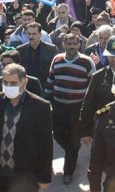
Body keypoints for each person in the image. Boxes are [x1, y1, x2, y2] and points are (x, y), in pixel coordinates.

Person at [0, 63, 53, 192]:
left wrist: (44, 178)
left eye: (13, 83)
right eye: (5, 82)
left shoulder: (41, 107)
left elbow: (46, 145)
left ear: (24, 82)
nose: (8, 87)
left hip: (25, 176)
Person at [45, 33, 96, 184]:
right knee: (58, 135)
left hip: (77, 108)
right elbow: (50, 82)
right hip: (59, 106)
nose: (72, 46)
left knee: (74, 140)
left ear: (79, 45)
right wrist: (46, 103)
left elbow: (92, 87)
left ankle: (68, 171)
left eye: (75, 44)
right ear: (63, 44)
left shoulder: (87, 62)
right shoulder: (57, 59)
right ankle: (72, 150)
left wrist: (90, 109)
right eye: (69, 44)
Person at [16, 22, 58, 89]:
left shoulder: (51, 49)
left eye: (34, 34)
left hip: (44, 87)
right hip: (26, 87)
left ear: (40, 34)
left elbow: (55, 70)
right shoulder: (20, 50)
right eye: (29, 34)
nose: (31, 37)